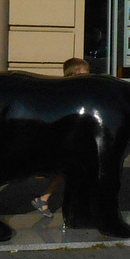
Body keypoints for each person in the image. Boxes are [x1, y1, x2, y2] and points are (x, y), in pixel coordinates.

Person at [30, 57, 91, 217]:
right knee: (71, 170)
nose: (89, 76)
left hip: (72, 137)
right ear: (75, 73)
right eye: (86, 73)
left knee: (67, 171)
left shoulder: (71, 89)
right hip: (69, 138)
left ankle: (45, 199)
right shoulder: (71, 90)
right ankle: (72, 205)